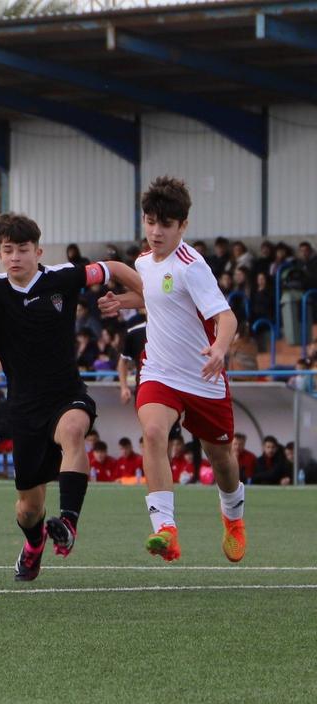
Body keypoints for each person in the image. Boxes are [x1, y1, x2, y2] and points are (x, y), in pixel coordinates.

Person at [0, 212, 140, 581]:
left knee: (74, 431)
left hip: (66, 395)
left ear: (38, 251)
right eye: (8, 250)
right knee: (28, 509)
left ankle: (68, 522)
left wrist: (145, 297)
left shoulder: (61, 278)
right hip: (23, 409)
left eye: (23, 249)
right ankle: (34, 544)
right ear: (0, 254)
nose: (15, 256)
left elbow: (112, 268)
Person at [99, 176, 247, 563]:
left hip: (202, 377)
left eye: (165, 224)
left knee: (222, 460)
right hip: (159, 372)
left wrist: (219, 348)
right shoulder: (143, 262)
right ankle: (165, 529)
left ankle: (233, 517)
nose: (156, 232)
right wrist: (122, 302)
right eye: (150, 222)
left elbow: (227, 317)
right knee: (152, 433)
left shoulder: (191, 266)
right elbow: (154, 295)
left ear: (183, 225)